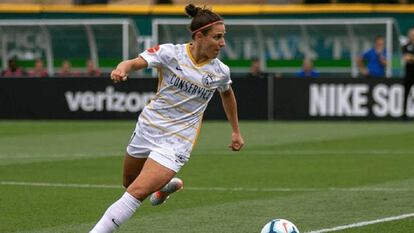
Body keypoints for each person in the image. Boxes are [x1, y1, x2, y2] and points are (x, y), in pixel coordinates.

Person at [89, 4, 244, 233]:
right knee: (129, 184)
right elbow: (133, 62)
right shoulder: (170, 53)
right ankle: (164, 187)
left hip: (177, 140)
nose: (222, 43)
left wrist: (235, 131)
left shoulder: (220, 71)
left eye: (223, 37)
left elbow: (227, 94)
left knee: (137, 192)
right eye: (217, 37)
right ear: (199, 36)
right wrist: (123, 69)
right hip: (148, 127)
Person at [402, 28, 414, 119]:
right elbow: (405, 58)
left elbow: (409, 58)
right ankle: (404, 114)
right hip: (408, 73)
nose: (412, 37)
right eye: (411, 35)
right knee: (406, 94)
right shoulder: (406, 46)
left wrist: (411, 58)